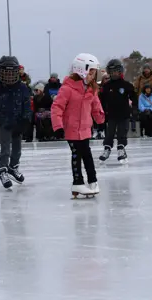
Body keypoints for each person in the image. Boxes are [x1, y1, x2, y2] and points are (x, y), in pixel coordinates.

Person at [51, 53, 105, 197]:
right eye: (91, 73)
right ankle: (78, 182)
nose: (92, 76)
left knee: (87, 154)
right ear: (82, 70)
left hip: (85, 129)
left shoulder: (91, 88)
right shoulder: (67, 88)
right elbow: (57, 107)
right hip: (71, 129)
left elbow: (96, 106)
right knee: (77, 154)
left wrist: (101, 120)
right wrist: (58, 126)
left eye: (94, 73)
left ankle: (93, 180)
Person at [0, 56, 32, 189]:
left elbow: (27, 106)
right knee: (5, 149)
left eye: (12, 73)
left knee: (17, 150)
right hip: (3, 122)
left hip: (18, 122)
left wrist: (26, 121)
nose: (9, 76)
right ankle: (3, 169)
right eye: (6, 73)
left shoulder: (22, 88)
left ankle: (13, 167)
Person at [98, 59, 137, 163]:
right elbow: (101, 101)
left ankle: (121, 149)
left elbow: (135, 98)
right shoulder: (106, 86)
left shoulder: (127, 85)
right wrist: (101, 112)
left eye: (116, 71)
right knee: (109, 133)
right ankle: (107, 149)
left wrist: (134, 110)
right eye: (112, 72)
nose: (114, 74)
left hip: (124, 115)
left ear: (120, 71)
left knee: (122, 133)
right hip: (111, 115)